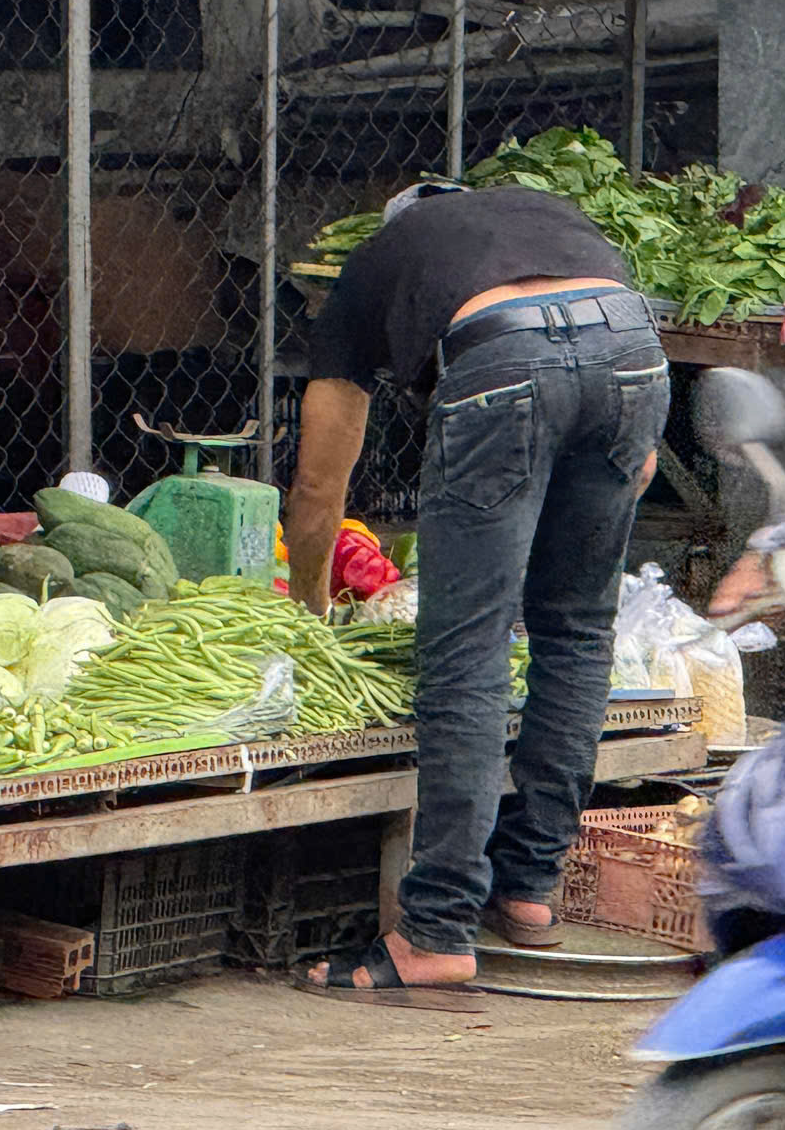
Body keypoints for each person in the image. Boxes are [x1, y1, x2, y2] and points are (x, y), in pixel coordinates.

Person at [285, 180, 668, 1005]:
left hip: (502, 362)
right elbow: (637, 467)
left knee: (468, 645)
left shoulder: (373, 267)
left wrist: (309, 610)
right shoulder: (552, 217)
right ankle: (528, 887)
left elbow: (320, 487)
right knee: (573, 630)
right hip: (632, 350)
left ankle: (434, 931)